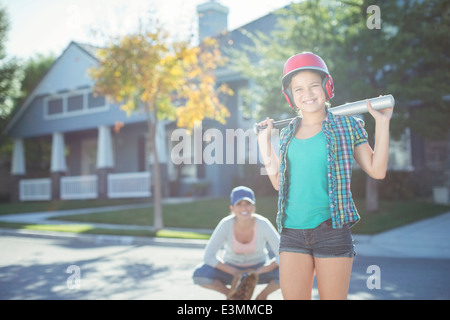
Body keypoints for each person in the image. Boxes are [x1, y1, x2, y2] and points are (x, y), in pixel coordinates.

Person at [256, 52, 393, 300]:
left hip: (331, 230)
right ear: (290, 96)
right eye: (298, 89)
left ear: (327, 87)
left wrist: (382, 124)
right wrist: (265, 144)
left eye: (313, 86)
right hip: (291, 232)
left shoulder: (347, 126)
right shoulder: (287, 133)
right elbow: (278, 182)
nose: (307, 94)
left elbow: (377, 170)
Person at [193, 186, 280, 300]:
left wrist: (256, 272)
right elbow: (208, 256)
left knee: (287, 271)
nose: (244, 208)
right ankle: (233, 296)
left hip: (259, 270)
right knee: (201, 274)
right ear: (232, 207)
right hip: (231, 268)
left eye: (247, 204)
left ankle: (261, 297)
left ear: (253, 207)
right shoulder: (225, 224)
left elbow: (283, 253)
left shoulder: (263, 224)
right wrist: (236, 272)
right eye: (239, 204)